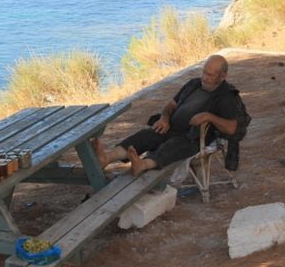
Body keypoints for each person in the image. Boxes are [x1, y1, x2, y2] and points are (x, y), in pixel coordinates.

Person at [92, 54, 240, 177]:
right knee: (145, 135)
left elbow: (232, 128)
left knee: (172, 147)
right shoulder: (194, 84)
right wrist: (165, 118)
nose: (204, 78)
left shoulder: (226, 96)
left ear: (223, 76)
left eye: (210, 75)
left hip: (192, 138)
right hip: (171, 128)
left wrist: (209, 116)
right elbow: (171, 105)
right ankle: (107, 158)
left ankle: (142, 164)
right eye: (204, 72)